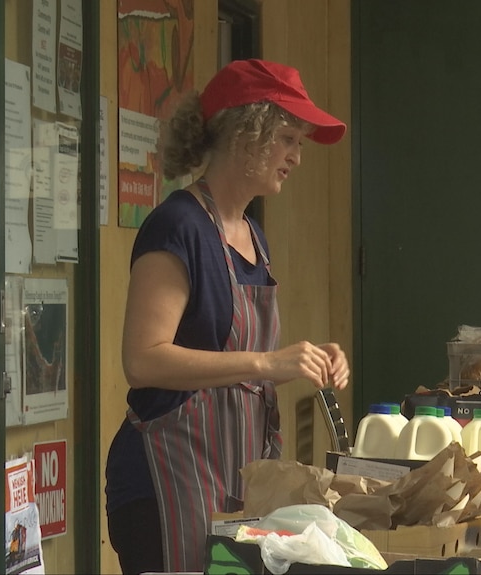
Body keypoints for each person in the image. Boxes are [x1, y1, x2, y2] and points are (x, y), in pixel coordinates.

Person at [104, 59, 350, 575]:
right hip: (165, 480)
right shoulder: (177, 225)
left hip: (231, 481)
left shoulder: (252, 236)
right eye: (287, 138)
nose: (296, 158)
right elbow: (143, 361)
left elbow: (244, 359)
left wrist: (306, 360)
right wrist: (265, 364)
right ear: (245, 132)